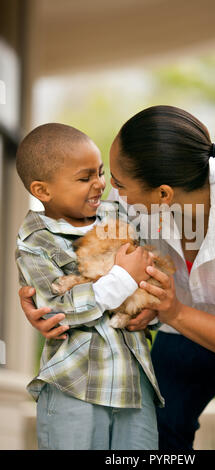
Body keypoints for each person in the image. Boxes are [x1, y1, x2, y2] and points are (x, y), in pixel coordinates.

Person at [19, 105, 215, 450]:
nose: (107, 190)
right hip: (186, 322)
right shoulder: (133, 199)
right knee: (160, 419)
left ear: (163, 194)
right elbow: (86, 250)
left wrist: (174, 312)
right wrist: (49, 298)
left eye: (116, 182)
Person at [15, 122, 164, 450]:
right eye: (85, 178)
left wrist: (150, 309)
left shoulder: (120, 218)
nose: (100, 184)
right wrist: (123, 278)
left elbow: (152, 275)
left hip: (134, 383)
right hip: (75, 385)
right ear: (42, 191)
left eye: (100, 172)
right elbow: (59, 310)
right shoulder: (36, 242)